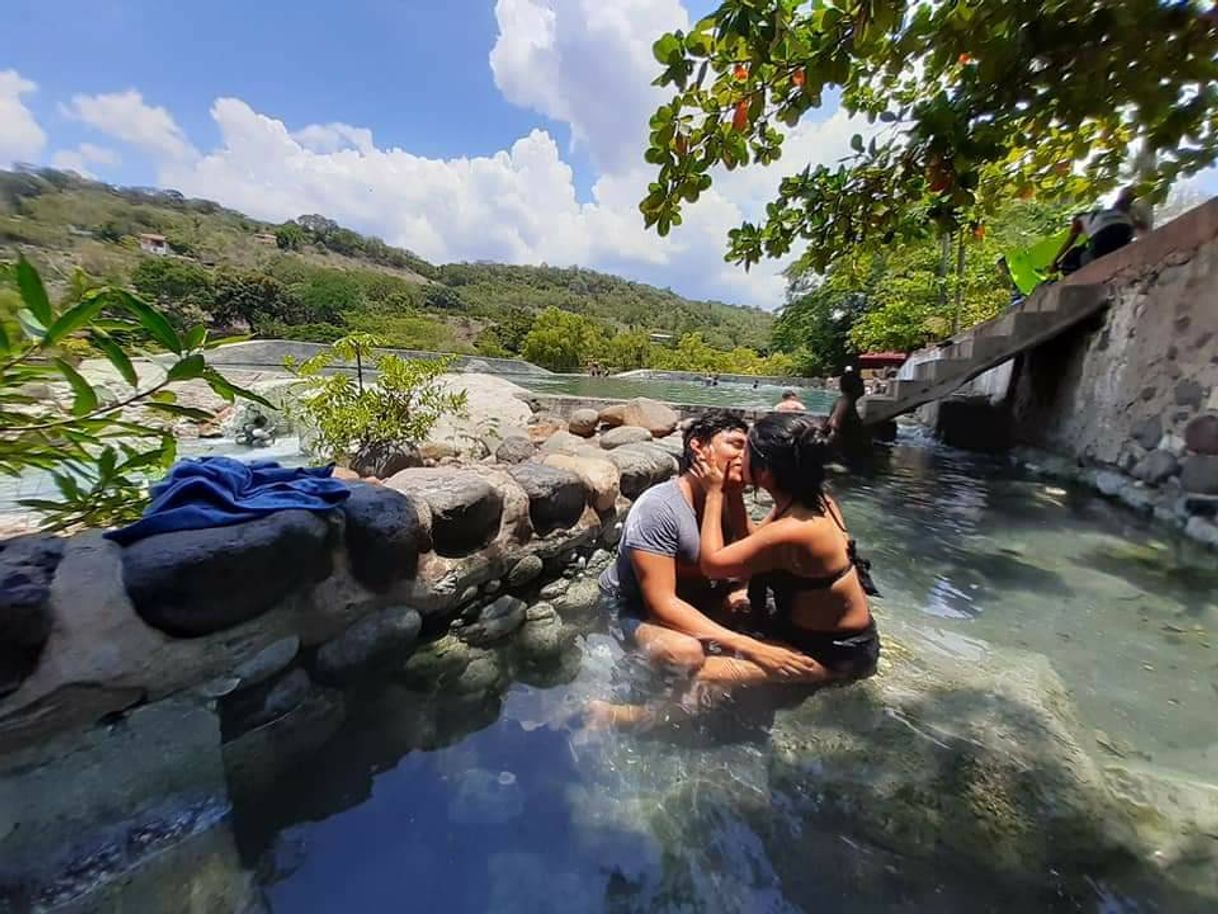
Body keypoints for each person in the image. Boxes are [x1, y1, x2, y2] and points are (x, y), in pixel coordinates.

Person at [595, 412, 827, 705]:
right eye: (735, 444)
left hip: (695, 599)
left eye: (748, 450)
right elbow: (660, 603)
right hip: (630, 607)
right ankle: (625, 707)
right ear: (698, 447)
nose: (746, 456)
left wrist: (739, 593)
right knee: (685, 652)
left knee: (759, 616)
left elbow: (752, 560)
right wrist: (753, 648)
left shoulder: (727, 499)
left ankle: (708, 692)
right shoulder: (659, 507)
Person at [690, 412, 881, 686]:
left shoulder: (795, 530)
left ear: (765, 471)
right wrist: (733, 495)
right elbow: (756, 541)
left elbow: (712, 565)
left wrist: (713, 494)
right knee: (723, 614)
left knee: (699, 672)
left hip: (833, 654)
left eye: (747, 450)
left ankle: (629, 716)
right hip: (838, 637)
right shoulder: (816, 502)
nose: (740, 455)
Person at [1051, 188, 1150, 277]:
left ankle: (1079, 272)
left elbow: (1070, 241)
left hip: (1101, 238)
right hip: (1124, 232)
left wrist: (1055, 261)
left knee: (1076, 254)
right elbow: (1142, 227)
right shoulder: (1112, 212)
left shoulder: (1080, 219)